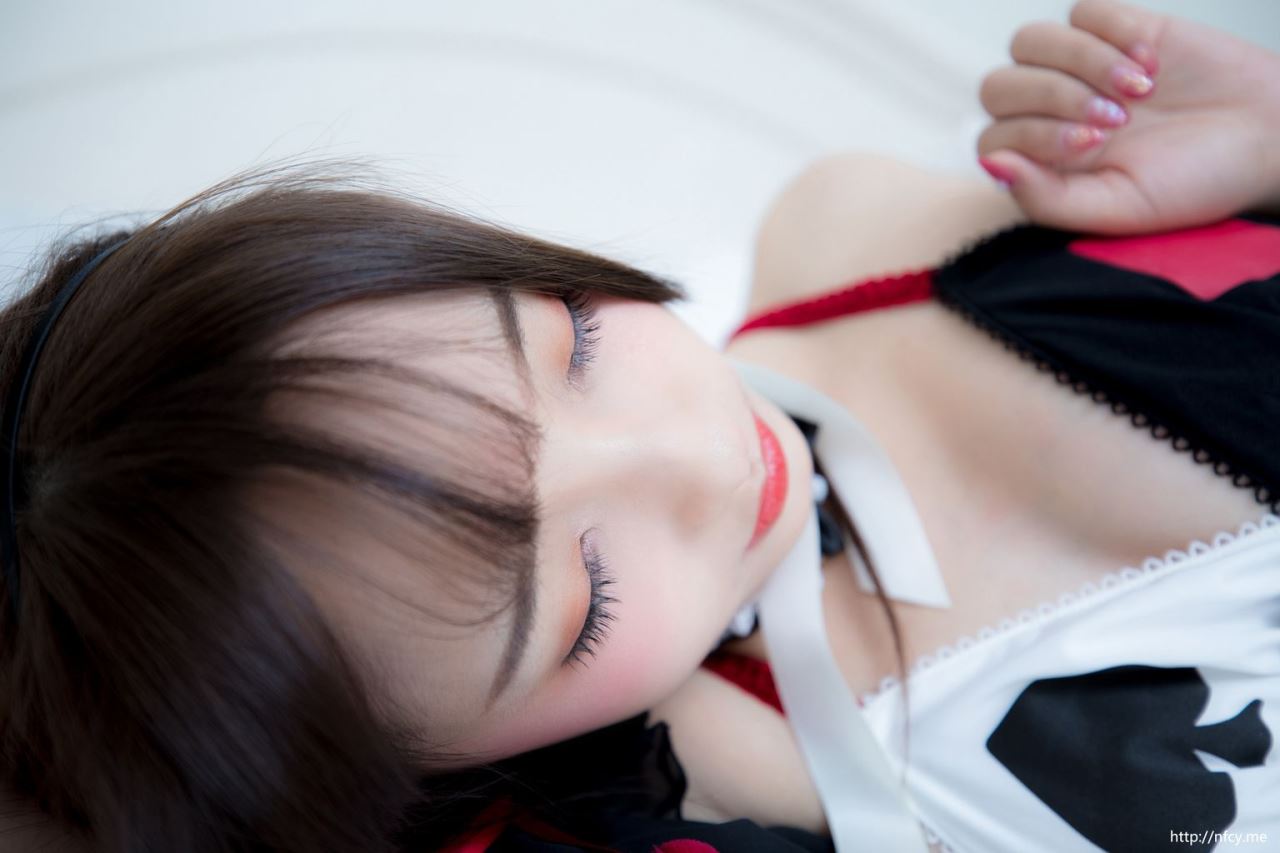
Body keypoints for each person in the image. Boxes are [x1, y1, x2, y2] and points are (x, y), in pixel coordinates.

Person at [1, 0, 1278, 849]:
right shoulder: (660, 815)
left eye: (573, 341)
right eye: (586, 597)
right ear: (417, 773)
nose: (701, 456)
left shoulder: (848, 231)